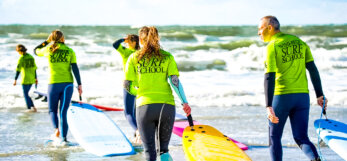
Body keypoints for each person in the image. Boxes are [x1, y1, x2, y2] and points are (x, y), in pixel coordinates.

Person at [258, 15, 328, 161]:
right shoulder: (300, 42)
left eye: (260, 28)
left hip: (282, 97)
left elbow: (269, 76)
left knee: (274, 137)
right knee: (301, 137)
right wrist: (320, 95)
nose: (259, 32)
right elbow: (313, 69)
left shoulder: (273, 46)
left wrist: (269, 105)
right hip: (302, 97)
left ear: (269, 28)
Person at [124, 26, 191, 161]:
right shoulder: (167, 56)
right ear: (157, 38)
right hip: (166, 106)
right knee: (164, 151)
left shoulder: (133, 57)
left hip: (144, 107)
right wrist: (184, 102)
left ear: (141, 41)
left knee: (150, 153)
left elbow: (127, 85)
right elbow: (175, 82)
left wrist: (140, 93)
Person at [34, 30, 82, 145]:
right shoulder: (70, 51)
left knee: (52, 110)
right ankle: (64, 139)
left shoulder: (48, 50)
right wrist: (79, 84)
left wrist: (47, 41)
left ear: (52, 38)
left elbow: (35, 51)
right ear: (63, 38)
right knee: (63, 111)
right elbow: (75, 68)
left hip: (53, 83)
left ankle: (56, 130)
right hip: (68, 85)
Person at [112, 34, 141, 143]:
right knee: (135, 111)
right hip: (139, 84)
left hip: (128, 84)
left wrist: (122, 39)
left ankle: (138, 131)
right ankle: (137, 136)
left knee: (128, 113)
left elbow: (114, 44)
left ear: (134, 42)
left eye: (128, 41)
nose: (126, 43)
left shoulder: (126, 52)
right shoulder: (140, 53)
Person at [13, 44, 38, 112]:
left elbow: (18, 70)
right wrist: (36, 78)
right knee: (27, 94)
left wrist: (15, 79)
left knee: (26, 95)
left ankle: (30, 108)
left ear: (19, 51)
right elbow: (34, 68)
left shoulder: (21, 58)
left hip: (25, 79)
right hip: (32, 78)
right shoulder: (31, 57)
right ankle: (32, 107)